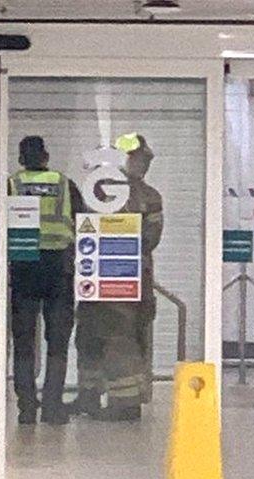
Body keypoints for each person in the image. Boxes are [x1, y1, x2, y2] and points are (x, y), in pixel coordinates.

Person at [73, 133, 163, 421]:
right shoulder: (97, 191)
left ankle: (125, 403)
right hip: (95, 276)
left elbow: (150, 238)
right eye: (139, 158)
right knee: (88, 335)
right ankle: (88, 394)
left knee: (121, 338)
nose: (144, 164)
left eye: (144, 159)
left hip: (128, 279)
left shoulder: (149, 197)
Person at [8, 136, 82, 425]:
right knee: (58, 342)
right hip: (58, 270)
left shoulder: (12, 184)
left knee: (24, 342)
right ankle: (52, 406)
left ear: (21, 158)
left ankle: (26, 407)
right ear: (46, 156)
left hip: (25, 268)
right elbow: (82, 220)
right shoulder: (64, 183)